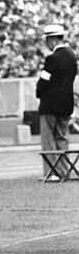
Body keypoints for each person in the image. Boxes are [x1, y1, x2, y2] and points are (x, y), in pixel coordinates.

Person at [36, 24, 77, 180]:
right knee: (62, 138)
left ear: (52, 39)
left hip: (50, 104)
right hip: (66, 103)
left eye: (47, 40)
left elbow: (44, 80)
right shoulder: (72, 56)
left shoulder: (52, 58)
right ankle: (64, 170)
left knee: (48, 139)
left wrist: (38, 92)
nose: (46, 43)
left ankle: (51, 172)